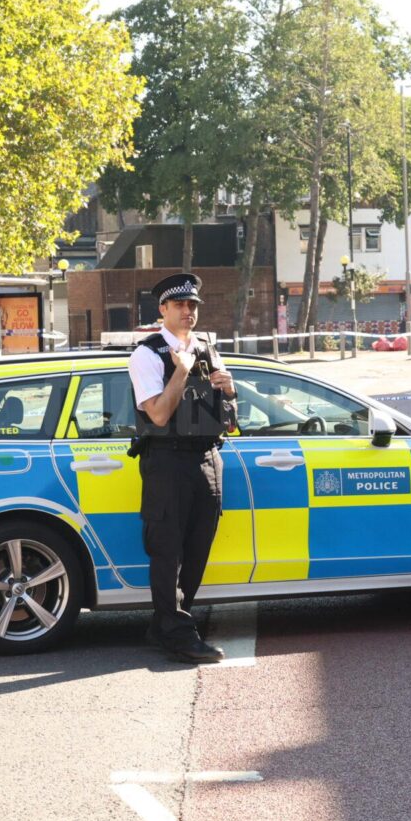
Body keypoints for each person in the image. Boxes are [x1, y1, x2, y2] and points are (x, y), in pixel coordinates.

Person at [128, 273, 237, 663]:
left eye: (192, 306)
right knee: (167, 551)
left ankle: (166, 626)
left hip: (208, 458)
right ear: (163, 309)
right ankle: (177, 634)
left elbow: (229, 415)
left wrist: (227, 388)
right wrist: (181, 369)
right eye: (179, 305)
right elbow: (157, 414)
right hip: (168, 462)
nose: (187, 312)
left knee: (197, 549)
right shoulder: (147, 354)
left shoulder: (208, 347)